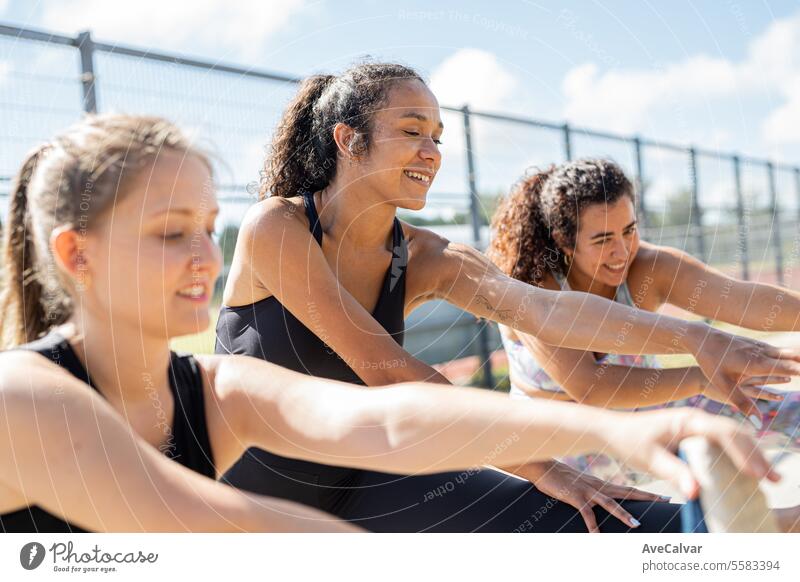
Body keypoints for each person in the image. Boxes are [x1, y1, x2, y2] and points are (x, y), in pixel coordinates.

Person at [1, 113, 770, 534]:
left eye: (209, 225)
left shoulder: (219, 388)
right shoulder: (23, 400)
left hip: (365, 491)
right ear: (77, 254)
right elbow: (209, 526)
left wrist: (616, 433)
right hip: (316, 516)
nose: (207, 254)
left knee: (641, 529)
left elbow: (389, 419)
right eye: (173, 232)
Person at [216, 62, 800, 532]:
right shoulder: (277, 227)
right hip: (250, 498)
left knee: (597, 517)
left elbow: (549, 311)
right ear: (349, 139)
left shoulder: (428, 256)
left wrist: (697, 338)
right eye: (413, 131)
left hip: (368, 477)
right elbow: (387, 369)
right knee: (558, 486)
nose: (432, 153)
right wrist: (536, 463)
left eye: (438, 138)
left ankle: (759, 536)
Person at [487, 158, 800, 485]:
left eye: (629, 230)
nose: (622, 252)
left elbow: (742, 300)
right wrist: (701, 378)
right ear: (564, 242)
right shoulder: (531, 287)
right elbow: (590, 386)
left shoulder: (646, 268)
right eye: (603, 239)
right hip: (560, 455)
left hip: (642, 422)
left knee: (787, 412)